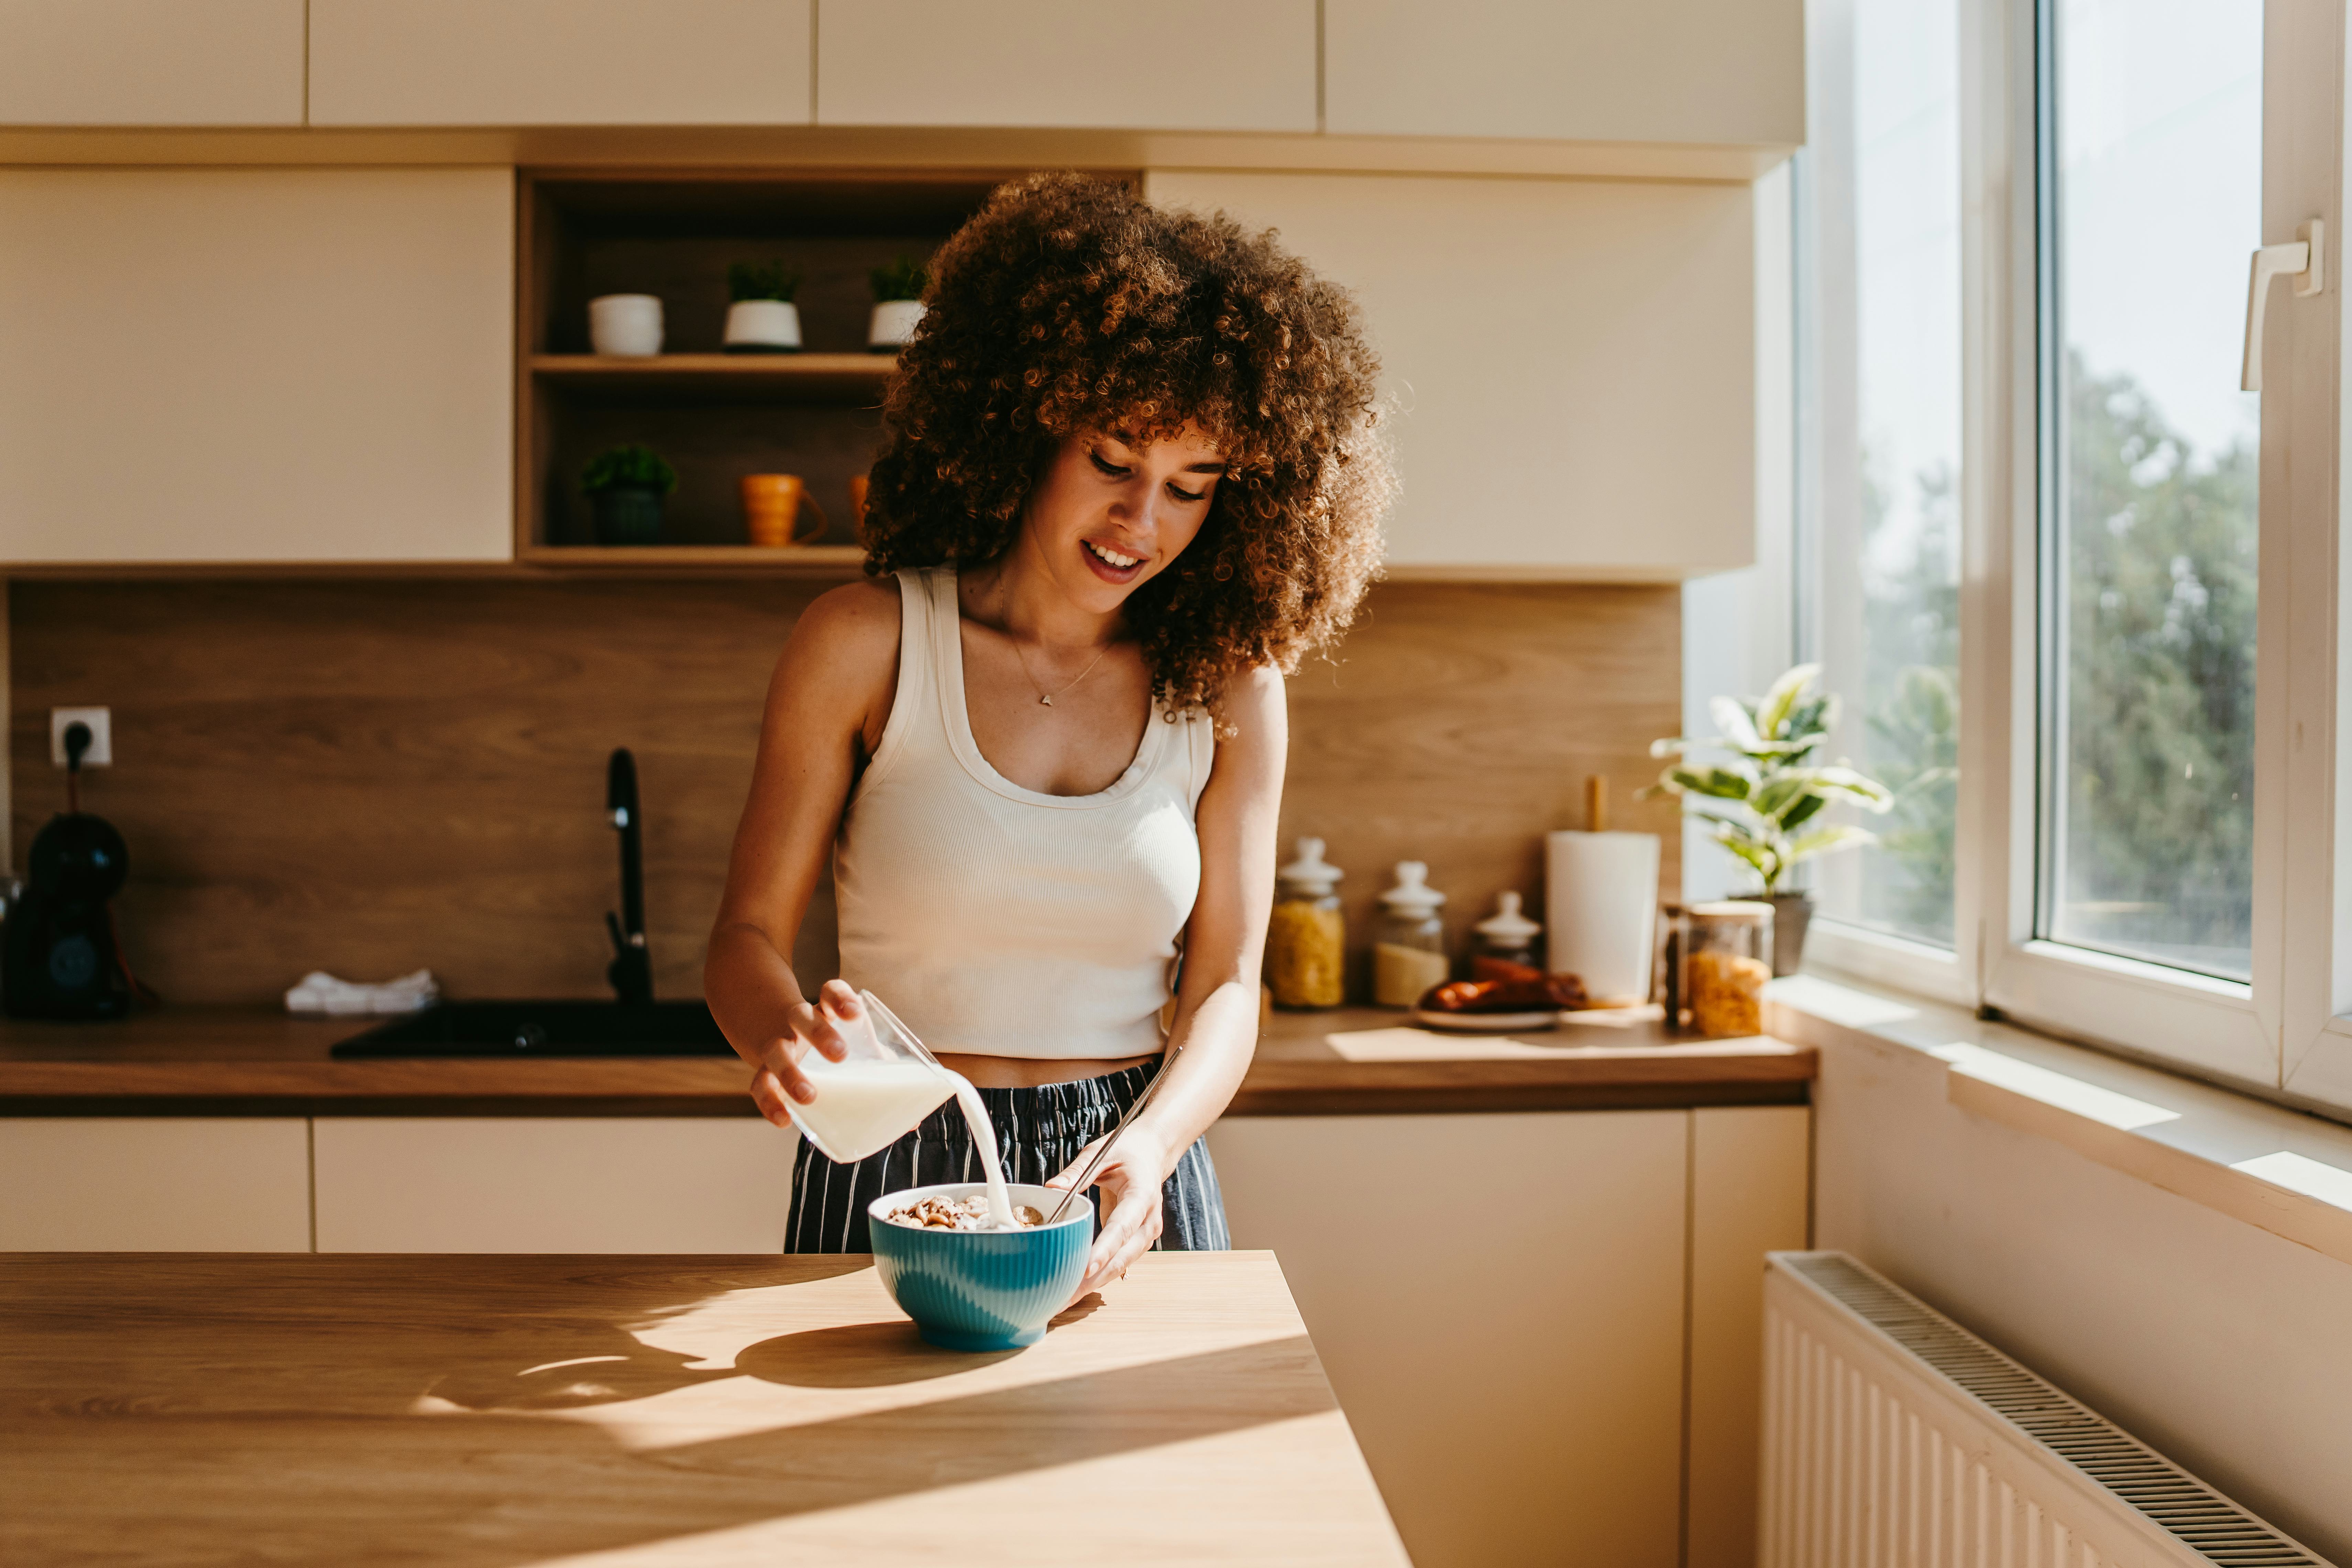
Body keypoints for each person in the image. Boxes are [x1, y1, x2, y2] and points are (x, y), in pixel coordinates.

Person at [705, 173, 1392, 1297]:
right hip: (894, 1149)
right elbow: (742, 936)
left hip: (1122, 1165)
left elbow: (1225, 983)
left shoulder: (1227, 687)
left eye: (1189, 486)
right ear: (1027, 424)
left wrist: (1156, 1143)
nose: (1140, 521)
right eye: (1112, 461)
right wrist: (782, 1035)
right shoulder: (864, 641)